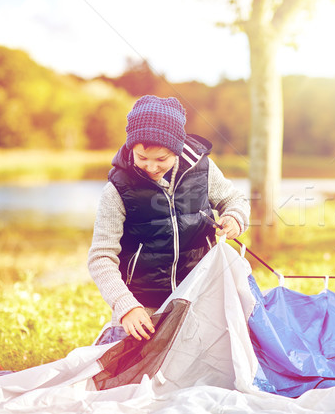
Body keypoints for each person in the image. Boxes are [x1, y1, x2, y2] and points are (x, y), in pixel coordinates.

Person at [88, 95, 250, 343]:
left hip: (199, 297)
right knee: (129, 373)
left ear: (176, 149)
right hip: (143, 306)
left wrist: (235, 217)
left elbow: (235, 200)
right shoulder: (118, 190)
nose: (151, 167)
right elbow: (101, 257)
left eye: (161, 159)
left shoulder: (202, 170)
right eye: (142, 158)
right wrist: (125, 305)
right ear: (132, 147)